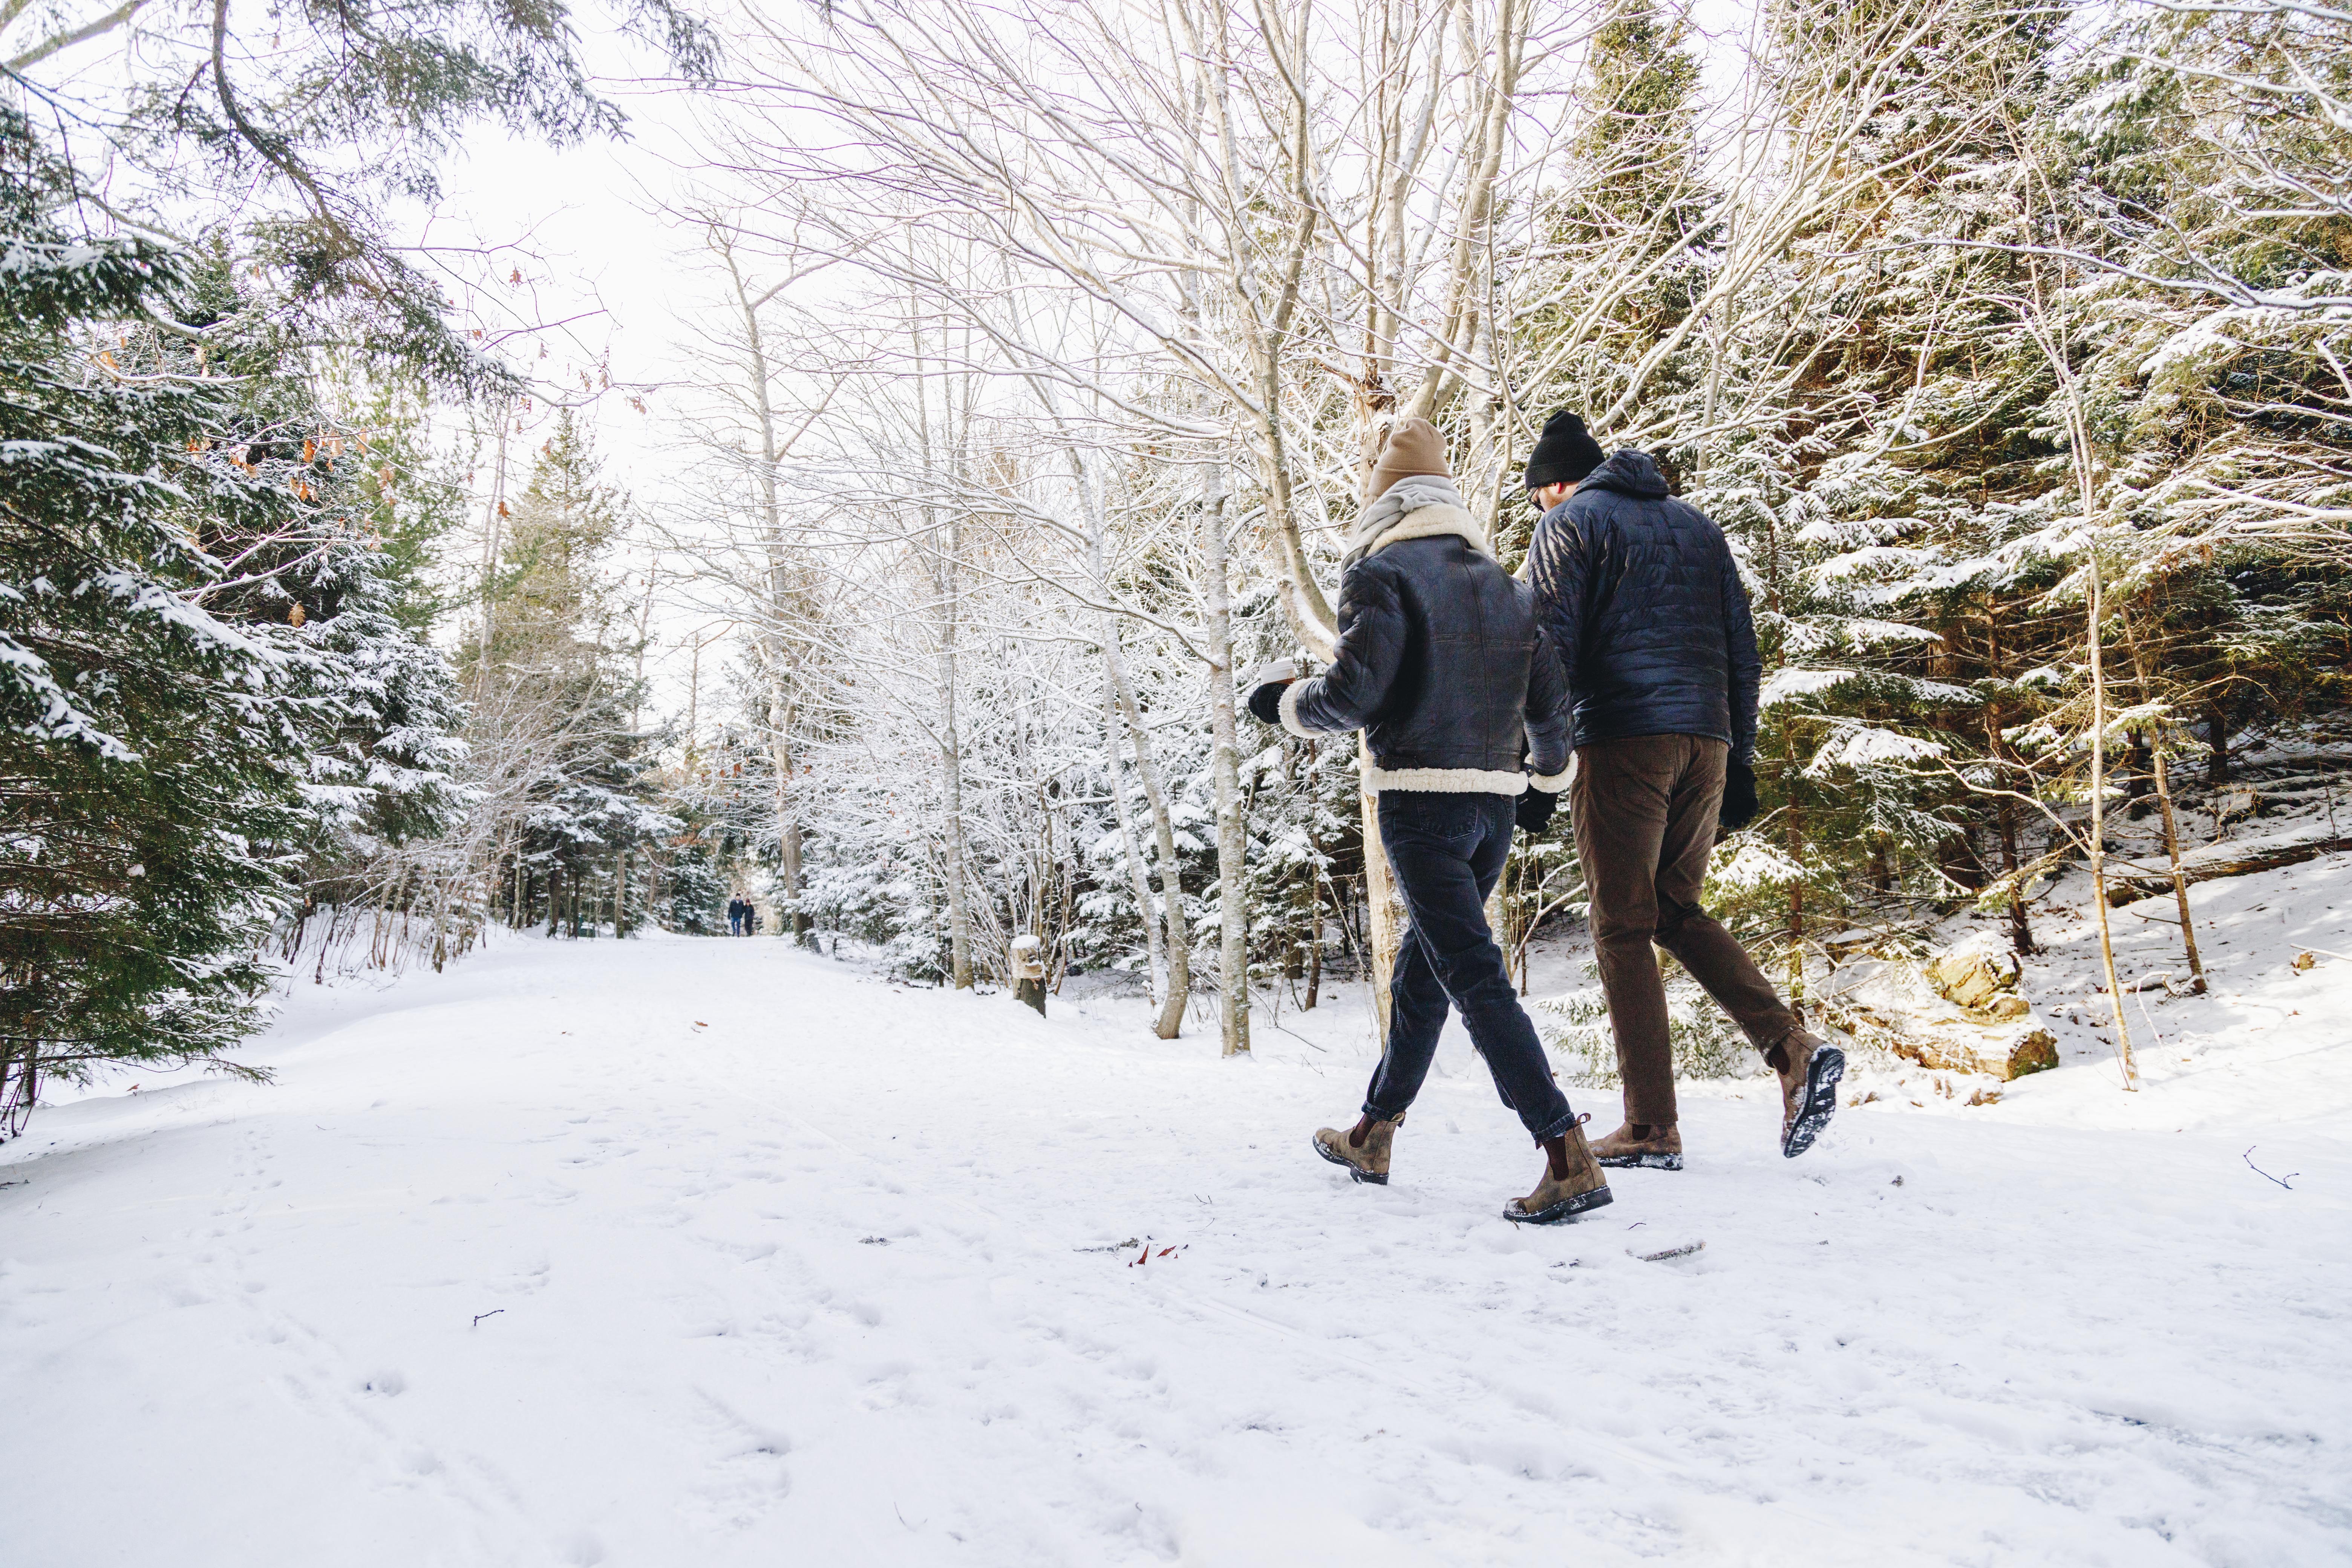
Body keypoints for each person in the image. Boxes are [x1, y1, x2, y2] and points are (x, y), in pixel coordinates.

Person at [1246, 418, 1611, 1225]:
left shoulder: (1382, 574)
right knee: (1428, 970)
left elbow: (1354, 693)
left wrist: (1281, 704)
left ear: (1385, 503)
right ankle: (1374, 1132)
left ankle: (1564, 1151)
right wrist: (1548, 775)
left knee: (1473, 975)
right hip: (1493, 808)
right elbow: (1551, 705)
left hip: (1420, 804)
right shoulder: (1509, 587)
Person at [1522, 409, 1844, 1169]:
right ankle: (1793, 1048)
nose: (1538, 507)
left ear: (1556, 483)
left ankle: (1650, 1127)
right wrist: (1742, 759)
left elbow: (1548, 650)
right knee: (1672, 908)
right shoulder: (1697, 527)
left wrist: (1537, 764)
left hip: (1624, 740)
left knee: (1621, 925)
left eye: (1538, 495)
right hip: (1708, 738)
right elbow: (1744, 648)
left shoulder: (1568, 525)